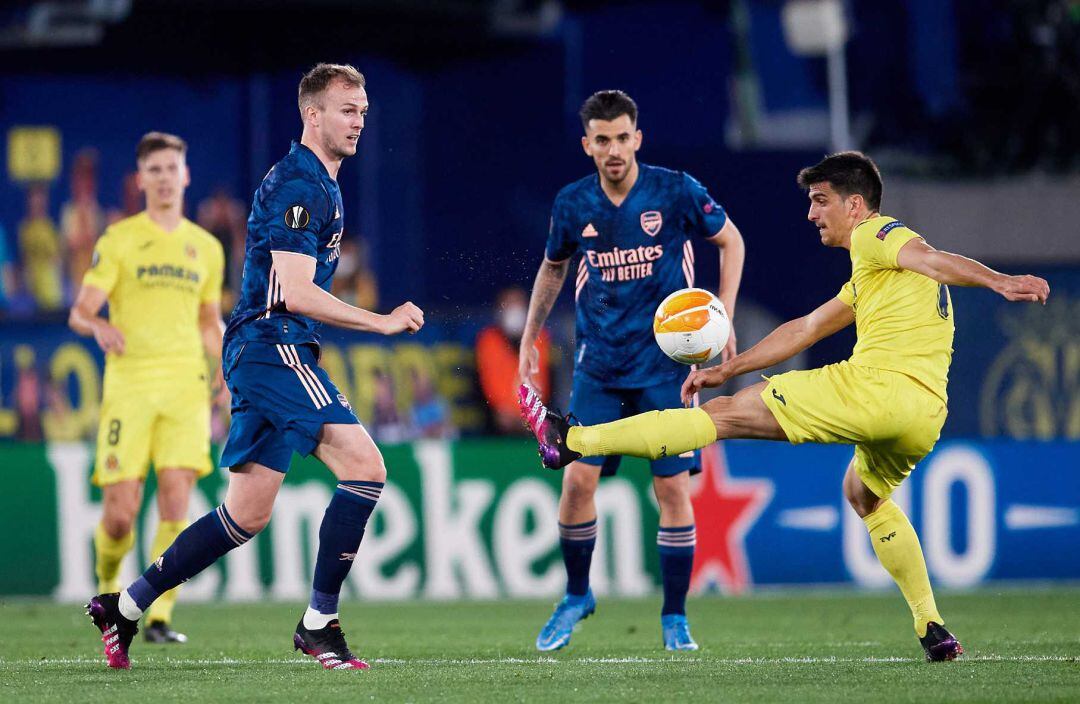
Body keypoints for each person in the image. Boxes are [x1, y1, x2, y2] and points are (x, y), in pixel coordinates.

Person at [520, 151, 1051, 662]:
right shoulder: (873, 276)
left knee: (723, 417)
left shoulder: (879, 234)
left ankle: (574, 440)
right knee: (862, 494)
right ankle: (930, 623)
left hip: (876, 391)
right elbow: (808, 328)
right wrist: (730, 366)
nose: (811, 213)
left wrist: (1000, 281)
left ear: (855, 206)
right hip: (925, 415)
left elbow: (932, 259)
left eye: (821, 200)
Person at [85, 63, 424, 672]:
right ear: (312, 115)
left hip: (259, 348)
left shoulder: (320, 181)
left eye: (364, 110)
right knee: (365, 467)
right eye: (347, 110)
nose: (359, 121)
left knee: (245, 514)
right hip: (273, 345)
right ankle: (319, 624)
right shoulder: (300, 184)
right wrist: (380, 321)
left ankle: (126, 607)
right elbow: (293, 291)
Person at [518, 90, 746, 652]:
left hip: (665, 369)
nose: (614, 149)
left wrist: (724, 318)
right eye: (603, 140)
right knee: (576, 481)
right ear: (587, 144)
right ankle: (577, 594)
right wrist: (528, 337)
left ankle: (674, 617)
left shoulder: (674, 190)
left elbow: (731, 240)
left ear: (637, 138)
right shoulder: (573, 203)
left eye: (623, 137)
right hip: (598, 366)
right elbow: (553, 270)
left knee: (671, 491)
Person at [70, 132, 226, 645]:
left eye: (171, 168)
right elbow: (81, 310)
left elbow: (209, 319)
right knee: (119, 515)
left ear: (185, 175)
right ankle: (108, 590)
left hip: (186, 385)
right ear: (141, 180)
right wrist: (98, 326)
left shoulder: (205, 247)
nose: (163, 177)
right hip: (131, 387)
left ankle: (157, 615)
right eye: (153, 169)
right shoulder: (119, 239)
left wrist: (226, 360)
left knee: (176, 502)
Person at [476, 286, 551, 434]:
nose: (514, 311)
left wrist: (531, 415)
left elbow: (545, 381)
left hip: (535, 421)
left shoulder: (541, 338)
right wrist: (501, 413)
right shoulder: (488, 339)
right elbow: (485, 383)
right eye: (509, 305)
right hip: (497, 423)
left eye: (518, 304)